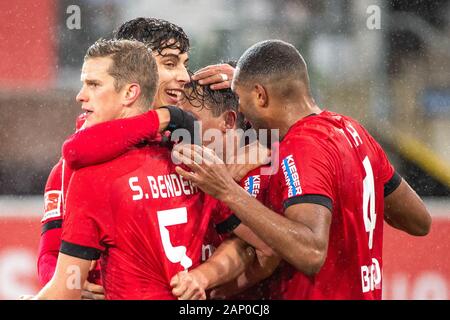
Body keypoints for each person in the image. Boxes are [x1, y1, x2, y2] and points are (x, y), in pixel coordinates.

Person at [172, 39, 432, 300]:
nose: (240, 111)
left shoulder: (302, 147)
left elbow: (311, 253)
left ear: (260, 95)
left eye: (240, 99)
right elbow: (418, 220)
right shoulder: (352, 131)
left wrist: (227, 191)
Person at [33, 38, 219, 300]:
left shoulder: (185, 153)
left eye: (94, 84)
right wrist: (70, 279)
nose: (183, 77)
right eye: (169, 64)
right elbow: (51, 256)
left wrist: (66, 283)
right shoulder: (192, 158)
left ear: (131, 90)